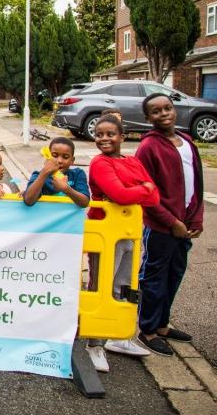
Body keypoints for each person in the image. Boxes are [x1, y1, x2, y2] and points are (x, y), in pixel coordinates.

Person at [85, 115, 160, 369]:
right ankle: (94, 344)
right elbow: (119, 194)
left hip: (129, 233)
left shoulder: (132, 161)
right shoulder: (99, 163)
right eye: (99, 134)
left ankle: (117, 336)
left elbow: (154, 197)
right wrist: (142, 188)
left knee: (124, 286)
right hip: (106, 234)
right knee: (101, 286)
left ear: (122, 137)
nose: (104, 139)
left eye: (110, 134)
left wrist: (135, 192)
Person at [135, 93, 204, 357]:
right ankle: (148, 329)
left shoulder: (186, 141)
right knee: (154, 278)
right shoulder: (148, 147)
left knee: (175, 274)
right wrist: (171, 221)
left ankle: (163, 324)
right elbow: (146, 193)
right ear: (147, 118)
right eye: (156, 111)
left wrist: (195, 217)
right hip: (160, 226)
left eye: (168, 108)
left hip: (185, 224)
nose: (164, 114)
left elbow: (196, 182)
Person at [22, 137, 89, 208]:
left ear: (72, 160)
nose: (59, 160)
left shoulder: (77, 174)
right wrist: (44, 173)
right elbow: (28, 201)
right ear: (48, 157)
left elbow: (85, 202)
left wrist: (66, 189)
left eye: (65, 157)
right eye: (54, 156)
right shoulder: (38, 175)